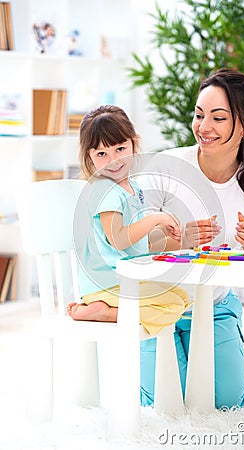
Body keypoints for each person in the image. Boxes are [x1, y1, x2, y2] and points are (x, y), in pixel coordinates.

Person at [139, 68, 244, 409]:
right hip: (156, 306)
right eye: (199, 115)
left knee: (227, 402)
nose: (204, 127)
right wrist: (180, 239)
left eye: (218, 118)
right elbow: (133, 247)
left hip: (215, 307)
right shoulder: (169, 165)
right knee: (163, 401)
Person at [67, 105, 190, 336]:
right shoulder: (105, 189)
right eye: (102, 154)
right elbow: (119, 240)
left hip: (126, 279)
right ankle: (102, 312)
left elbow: (136, 242)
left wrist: (168, 235)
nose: (113, 160)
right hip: (105, 284)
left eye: (120, 148)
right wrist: (156, 218)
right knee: (173, 305)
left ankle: (109, 309)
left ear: (135, 143)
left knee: (182, 298)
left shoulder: (132, 186)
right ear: (89, 158)